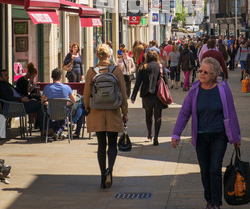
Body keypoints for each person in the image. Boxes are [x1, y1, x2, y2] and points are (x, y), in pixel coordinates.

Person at [172, 58, 241, 209]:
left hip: (219, 136)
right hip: (201, 137)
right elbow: (184, 113)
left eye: (205, 72)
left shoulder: (223, 90)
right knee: (205, 171)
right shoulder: (194, 90)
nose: (201, 74)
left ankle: (217, 203)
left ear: (214, 74)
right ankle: (209, 200)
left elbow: (231, 112)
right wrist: (176, 133)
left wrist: (236, 136)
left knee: (215, 168)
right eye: (200, 71)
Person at [84, 44, 128, 189]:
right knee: (113, 144)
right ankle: (110, 170)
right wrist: (125, 111)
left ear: (97, 56)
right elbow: (123, 91)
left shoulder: (91, 71)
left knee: (101, 145)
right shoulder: (116, 71)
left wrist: (87, 108)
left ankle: (103, 176)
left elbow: (86, 93)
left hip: (96, 112)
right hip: (113, 111)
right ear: (109, 55)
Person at [131, 50, 168, 145]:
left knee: (148, 115)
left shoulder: (143, 67)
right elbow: (166, 80)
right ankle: (156, 137)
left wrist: (133, 96)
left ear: (146, 58)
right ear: (156, 57)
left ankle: (149, 133)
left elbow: (138, 82)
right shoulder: (160, 66)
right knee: (158, 116)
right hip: (158, 94)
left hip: (147, 95)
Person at [41, 68, 81, 140]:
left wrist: (50, 104)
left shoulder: (47, 88)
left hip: (51, 113)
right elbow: (74, 100)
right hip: (63, 112)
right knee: (65, 113)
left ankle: (56, 132)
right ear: (61, 77)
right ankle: (59, 132)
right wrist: (65, 104)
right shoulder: (66, 87)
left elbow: (42, 101)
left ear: (52, 77)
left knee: (53, 116)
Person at [0, 68, 44, 132]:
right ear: (0, 78)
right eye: (5, 75)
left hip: (21, 103)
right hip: (16, 106)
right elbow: (7, 97)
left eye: (7, 75)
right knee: (40, 105)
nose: (8, 77)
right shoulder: (1, 87)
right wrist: (21, 99)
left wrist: (25, 97)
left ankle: (42, 127)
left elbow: (19, 93)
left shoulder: (7, 85)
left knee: (40, 103)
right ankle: (44, 129)